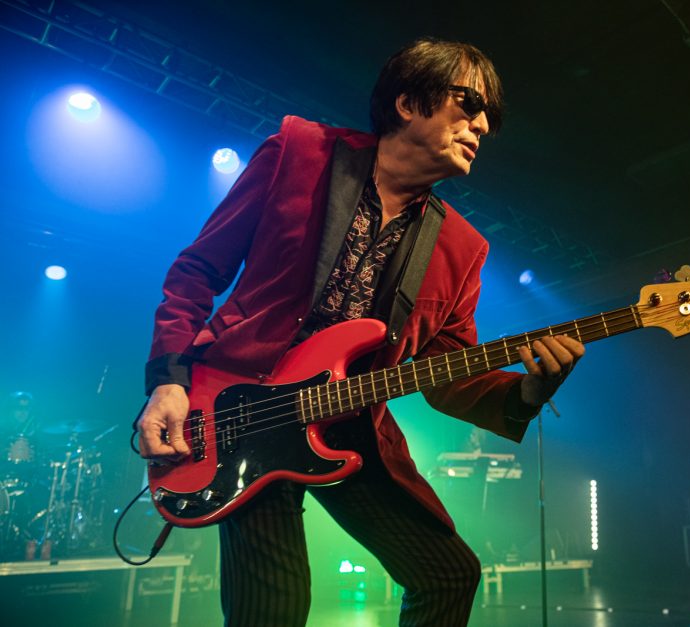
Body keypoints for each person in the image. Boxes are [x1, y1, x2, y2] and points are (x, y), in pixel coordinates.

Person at [136, 38, 584, 627]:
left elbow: (448, 375)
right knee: (274, 609)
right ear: (408, 102)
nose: (482, 125)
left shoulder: (462, 248)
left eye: (488, 118)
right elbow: (197, 271)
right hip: (241, 410)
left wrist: (527, 391)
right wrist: (169, 381)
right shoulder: (300, 152)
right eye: (469, 103)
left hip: (347, 425)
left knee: (448, 574)